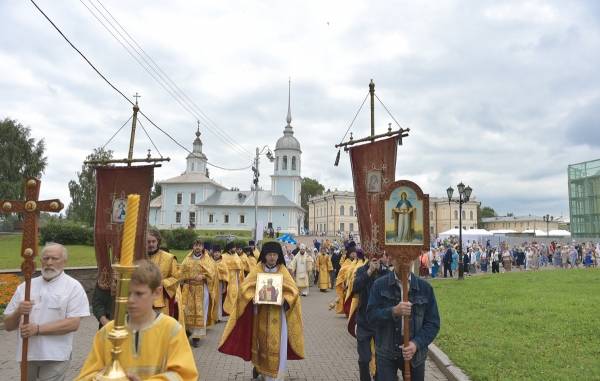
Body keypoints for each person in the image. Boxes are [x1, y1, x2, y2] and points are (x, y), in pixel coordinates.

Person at [76, 260, 198, 381]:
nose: (131, 300)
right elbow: (86, 375)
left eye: (139, 293)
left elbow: (185, 375)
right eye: (126, 293)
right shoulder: (108, 331)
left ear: (156, 293)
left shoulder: (171, 329)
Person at [219, 242, 305, 381]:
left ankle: (277, 375)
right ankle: (261, 371)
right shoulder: (258, 269)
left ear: (278, 256)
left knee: (279, 344)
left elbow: (293, 290)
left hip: (278, 314)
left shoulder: (282, 270)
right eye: (270, 254)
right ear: (265, 255)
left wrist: (285, 298)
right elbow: (245, 287)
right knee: (260, 342)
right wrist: (252, 297)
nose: (272, 257)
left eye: (275, 255)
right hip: (260, 313)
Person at [5, 242, 90, 381]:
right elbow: (8, 326)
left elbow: (73, 324)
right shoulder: (26, 286)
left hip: (55, 355)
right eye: (46, 258)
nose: (49, 262)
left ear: (64, 262)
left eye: (55, 258)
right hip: (27, 354)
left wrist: (38, 329)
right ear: (40, 261)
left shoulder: (73, 287)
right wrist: (18, 312)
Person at [366, 256, 441, 381]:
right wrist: (394, 311)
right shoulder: (380, 285)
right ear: (391, 259)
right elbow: (371, 316)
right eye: (398, 260)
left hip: (415, 354)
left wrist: (416, 344)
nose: (403, 264)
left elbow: (433, 323)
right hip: (387, 350)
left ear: (414, 260)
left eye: (407, 260)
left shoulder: (425, 288)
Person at [353, 252, 390, 381]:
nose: (376, 259)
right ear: (368, 256)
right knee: (364, 359)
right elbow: (355, 288)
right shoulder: (362, 270)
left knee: (382, 358)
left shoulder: (386, 272)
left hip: (381, 321)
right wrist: (369, 272)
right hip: (364, 320)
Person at [179, 238, 218, 347]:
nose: (198, 247)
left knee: (201, 311)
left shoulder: (207, 260)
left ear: (203, 247)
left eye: (200, 246)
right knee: (187, 311)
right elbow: (181, 272)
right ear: (193, 246)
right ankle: (187, 332)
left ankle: (197, 337)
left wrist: (204, 276)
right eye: (196, 245)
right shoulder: (187, 259)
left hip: (202, 289)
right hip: (189, 289)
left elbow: (212, 274)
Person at [147, 229, 185, 327]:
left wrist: (161, 283)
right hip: (142, 300)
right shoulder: (138, 257)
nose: (151, 245)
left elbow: (177, 277)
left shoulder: (169, 258)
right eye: (148, 242)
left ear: (158, 241)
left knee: (160, 327)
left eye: (153, 241)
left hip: (161, 300)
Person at [221, 242, 244, 316]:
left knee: (235, 293)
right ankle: (226, 311)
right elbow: (222, 267)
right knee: (226, 293)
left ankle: (234, 310)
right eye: (234, 248)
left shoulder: (236, 255)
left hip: (234, 277)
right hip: (226, 278)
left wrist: (238, 277)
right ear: (230, 248)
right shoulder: (223, 256)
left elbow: (239, 267)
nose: (235, 249)